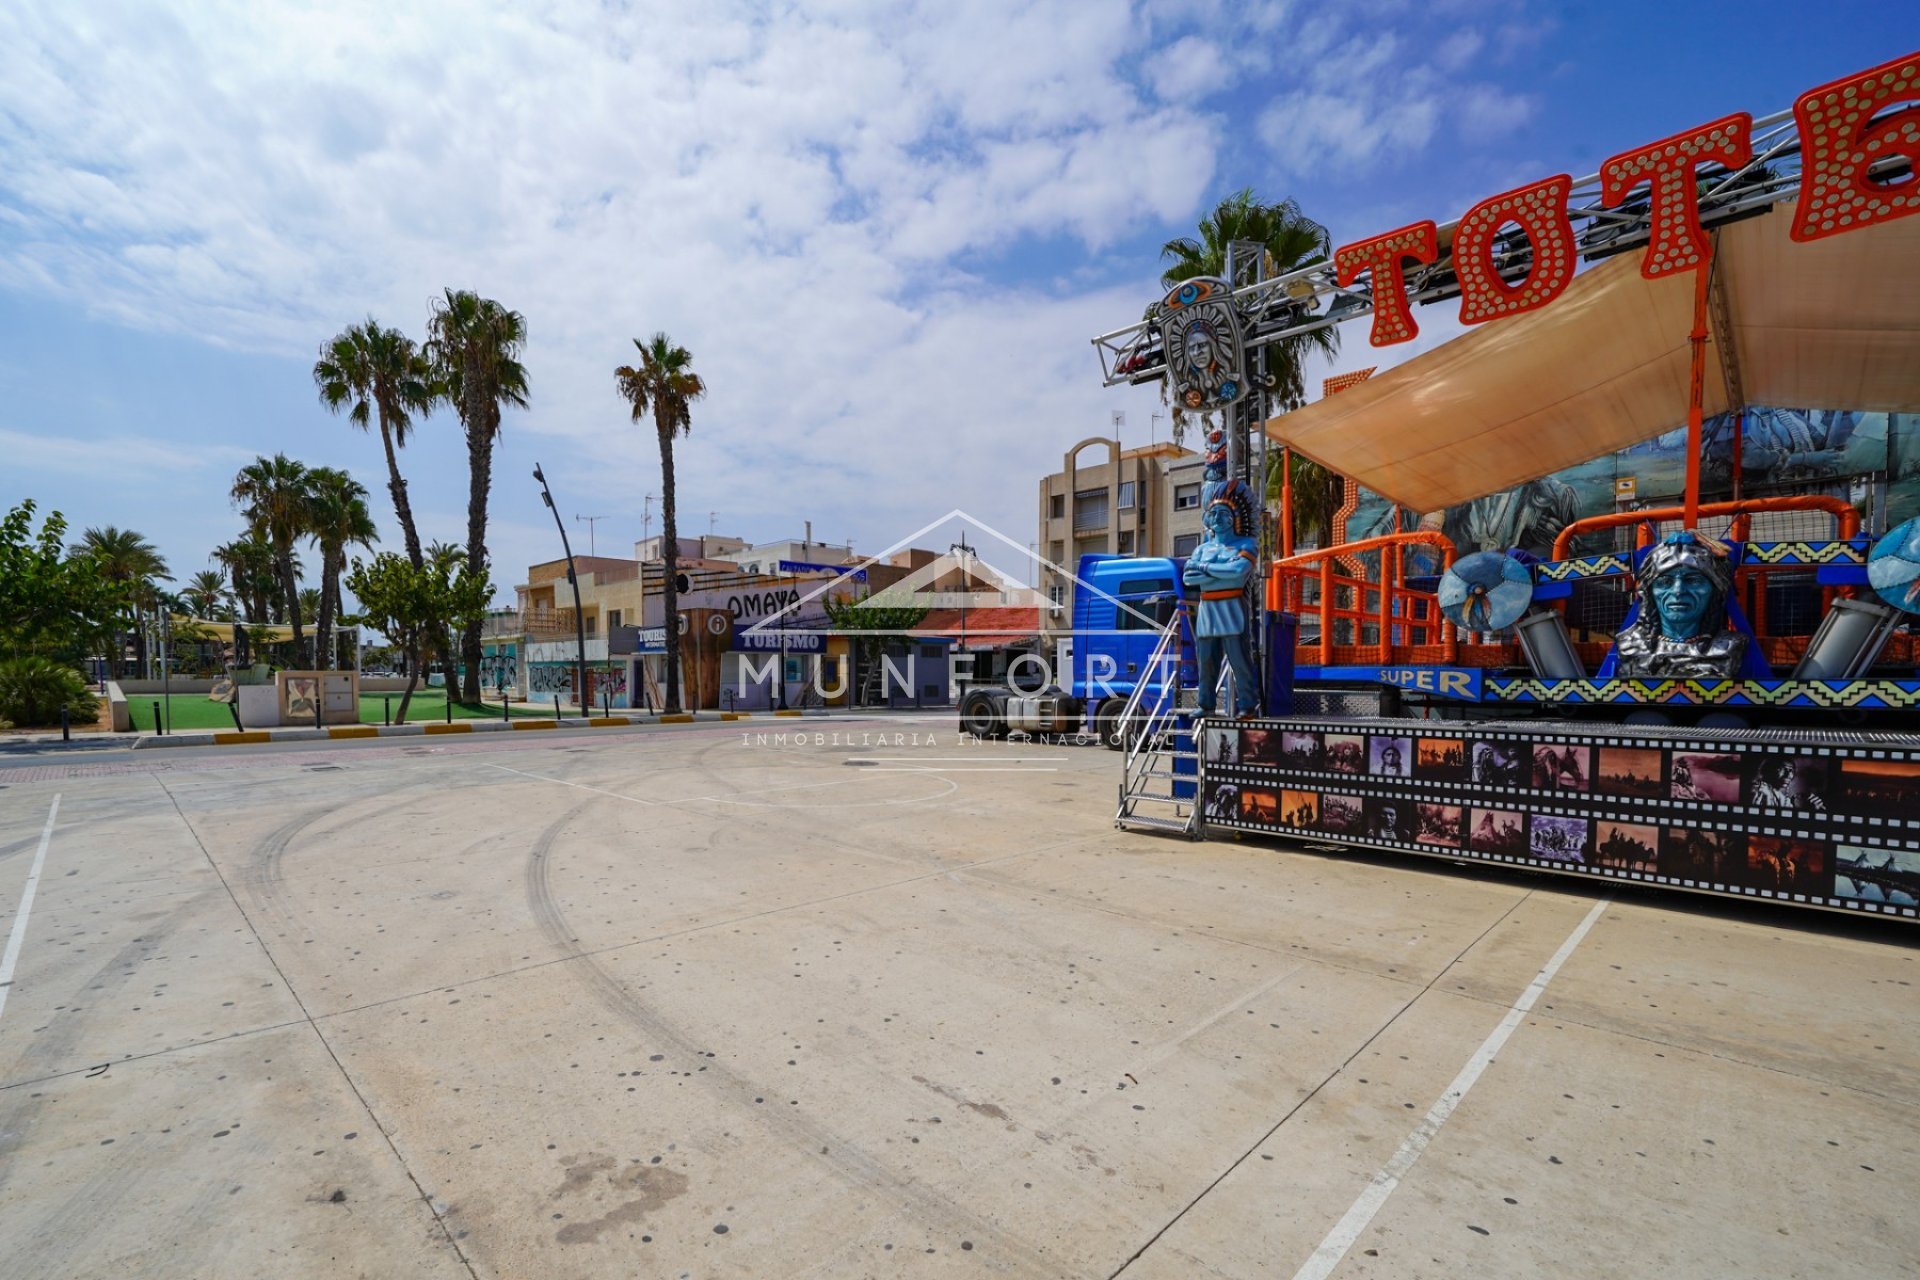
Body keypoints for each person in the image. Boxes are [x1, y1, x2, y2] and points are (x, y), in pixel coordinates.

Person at [1613, 532, 1749, 679]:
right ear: (1649, 592)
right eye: (1665, 582)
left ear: (1715, 591)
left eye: (1693, 581)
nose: (1678, 591)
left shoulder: (1729, 647)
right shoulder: (1629, 644)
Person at [1184, 482, 1260, 718]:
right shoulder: (1201, 548)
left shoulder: (1247, 544)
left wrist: (1204, 569)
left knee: (1239, 659)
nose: (1217, 517)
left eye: (1223, 513)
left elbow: (1238, 572)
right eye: (1213, 512)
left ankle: (1248, 704)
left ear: (1234, 517)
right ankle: (1205, 704)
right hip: (1207, 609)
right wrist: (1222, 572)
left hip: (1232, 607)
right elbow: (1188, 578)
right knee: (1206, 660)